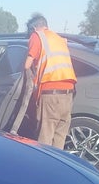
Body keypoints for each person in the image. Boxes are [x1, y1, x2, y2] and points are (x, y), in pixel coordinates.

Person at [23, 13, 77, 149]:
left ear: (34, 28)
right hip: (68, 94)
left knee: (45, 140)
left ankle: (42, 163)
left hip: (51, 95)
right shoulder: (59, 39)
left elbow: (26, 65)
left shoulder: (37, 36)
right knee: (59, 139)